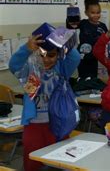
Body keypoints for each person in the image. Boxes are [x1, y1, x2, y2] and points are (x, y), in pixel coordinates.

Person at [9, 33, 80, 171]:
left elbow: (75, 57)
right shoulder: (30, 71)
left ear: (58, 55)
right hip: (34, 124)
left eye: (51, 55)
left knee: (61, 160)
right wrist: (27, 48)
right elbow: (13, 65)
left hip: (59, 122)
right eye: (42, 55)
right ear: (36, 54)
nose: (46, 59)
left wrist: (62, 43)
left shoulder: (61, 69)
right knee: (33, 161)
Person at [68, 0, 108, 80]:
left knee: (92, 78)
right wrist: (72, 11)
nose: (96, 15)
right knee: (83, 77)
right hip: (82, 56)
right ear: (86, 13)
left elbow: (108, 40)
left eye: (98, 12)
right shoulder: (83, 23)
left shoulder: (103, 26)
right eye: (92, 13)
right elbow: (71, 25)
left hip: (95, 57)